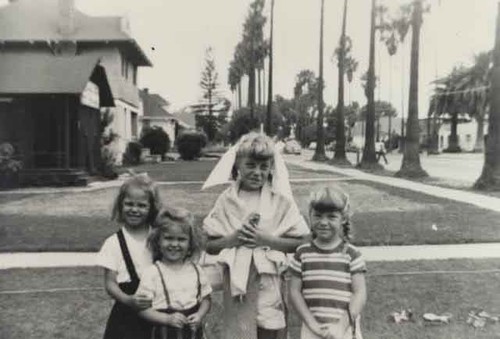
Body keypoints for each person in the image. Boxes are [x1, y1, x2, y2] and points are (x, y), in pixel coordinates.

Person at [202, 132, 310, 339]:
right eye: (250, 165)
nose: (257, 172)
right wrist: (232, 239)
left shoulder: (280, 200)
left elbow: (302, 242)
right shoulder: (227, 200)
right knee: (239, 329)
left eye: (264, 167)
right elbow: (209, 244)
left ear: (272, 168)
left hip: (269, 278)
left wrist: (267, 240)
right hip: (237, 280)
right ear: (237, 167)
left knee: (269, 327)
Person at [289, 186, 367, 339]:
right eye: (318, 216)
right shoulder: (302, 254)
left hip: (344, 328)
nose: (323, 222)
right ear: (310, 216)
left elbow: (360, 293)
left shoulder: (352, 254)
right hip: (313, 328)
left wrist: (342, 325)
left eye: (331, 217)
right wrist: (311, 324)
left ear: (343, 219)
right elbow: (294, 292)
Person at [97, 173, 162, 339]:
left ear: (151, 208)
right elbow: (110, 284)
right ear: (120, 205)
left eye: (141, 205)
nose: (134, 209)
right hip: (126, 315)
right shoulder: (113, 243)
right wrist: (128, 300)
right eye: (129, 204)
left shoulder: (158, 239)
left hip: (158, 309)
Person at [136, 207, 212, 339]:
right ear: (158, 241)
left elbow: (206, 299)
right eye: (168, 238)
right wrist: (166, 319)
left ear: (191, 243)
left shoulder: (196, 270)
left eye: (181, 239)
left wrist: (199, 315)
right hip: (164, 333)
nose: (174, 244)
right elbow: (142, 310)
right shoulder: (152, 273)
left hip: (192, 333)